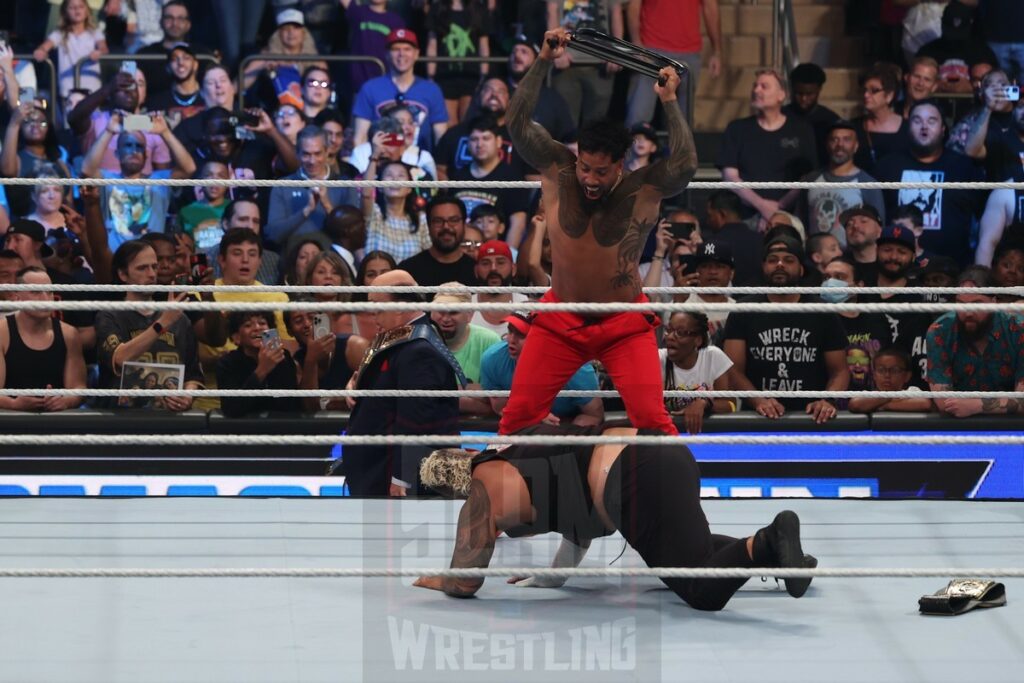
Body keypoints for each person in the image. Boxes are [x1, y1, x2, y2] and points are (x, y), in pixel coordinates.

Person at [502, 28, 698, 436]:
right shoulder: (559, 168)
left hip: (623, 322)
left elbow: (685, 166)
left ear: (620, 165)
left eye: (601, 171)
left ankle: (673, 497)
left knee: (651, 419)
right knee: (518, 414)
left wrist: (669, 103)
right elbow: (517, 124)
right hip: (561, 317)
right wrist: (543, 61)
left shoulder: (642, 189)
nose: (590, 179)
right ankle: (505, 493)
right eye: (585, 167)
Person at [413, 424, 814, 607]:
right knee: (687, 551)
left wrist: (444, 580)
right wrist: (552, 577)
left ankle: (765, 538)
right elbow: (578, 520)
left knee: (699, 590)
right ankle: (779, 555)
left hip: (634, 474)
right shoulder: (521, 452)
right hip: (660, 454)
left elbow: (466, 581)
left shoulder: (484, 485)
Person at [338, 270, 463, 497]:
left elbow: (415, 420)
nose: (372, 313)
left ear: (401, 305)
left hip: (392, 479)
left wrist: (401, 478)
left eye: (377, 304)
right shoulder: (402, 337)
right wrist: (357, 387)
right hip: (375, 472)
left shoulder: (419, 349)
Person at [723, 237, 850, 421]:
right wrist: (759, 400)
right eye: (773, 260)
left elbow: (840, 371)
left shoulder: (822, 311)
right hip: (757, 417)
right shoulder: (743, 310)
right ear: (764, 266)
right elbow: (733, 371)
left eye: (788, 260)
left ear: (801, 268)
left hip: (811, 417)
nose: (780, 264)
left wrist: (827, 400)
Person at [95, 241, 203, 411]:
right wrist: (163, 323)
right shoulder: (109, 315)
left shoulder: (179, 319)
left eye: (154, 266)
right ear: (123, 275)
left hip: (169, 420)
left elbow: (193, 375)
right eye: (142, 268)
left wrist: (187, 396)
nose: (152, 274)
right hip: (120, 422)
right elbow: (120, 358)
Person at [874, 99, 984, 265]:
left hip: (951, 268)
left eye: (931, 121)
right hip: (897, 265)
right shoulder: (887, 166)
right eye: (917, 121)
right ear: (908, 128)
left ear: (943, 129)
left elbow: (982, 217)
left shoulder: (963, 167)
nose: (924, 126)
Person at [81, 113, 196, 251]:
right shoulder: (108, 179)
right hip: (114, 259)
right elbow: (86, 170)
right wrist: (108, 131)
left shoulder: (159, 181)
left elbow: (189, 168)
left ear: (146, 155)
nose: (134, 151)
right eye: (128, 145)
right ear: (117, 153)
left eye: (139, 146)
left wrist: (165, 133)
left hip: (152, 260)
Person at [718, 69, 817, 228]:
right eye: (755, 86)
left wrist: (779, 209)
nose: (756, 90)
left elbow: (808, 176)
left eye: (764, 86)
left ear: (781, 95)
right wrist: (762, 206)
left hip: (789, 216)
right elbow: (730, 176)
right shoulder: (737, 129)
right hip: (744, 217)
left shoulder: (801, 130)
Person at [926, 265, 1024, 416]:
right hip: (957, 427)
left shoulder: (1018, 329)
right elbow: (944, 403)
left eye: (977, 303)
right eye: (961, 304)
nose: (968, 312)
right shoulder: (940, 331)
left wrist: (977, 405)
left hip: (1011, 428)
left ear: (994, 302)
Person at [480, 312, 603, 427]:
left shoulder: (575, 367)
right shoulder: (493, 358)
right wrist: (533, 416)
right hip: (522, 421)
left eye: (521, 335)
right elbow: (500, 406)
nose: (511, 340)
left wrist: (565, 440)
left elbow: (593, 415)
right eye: (510, 331)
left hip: (566, 422)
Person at [624, 0, 722, 128]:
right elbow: (634, 5)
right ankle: (633, 147)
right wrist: (637, 44)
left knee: (682, 122)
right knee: (638, 116)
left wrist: (717, 51)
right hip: (651, 50)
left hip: (688, 54)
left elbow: (710, 8)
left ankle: (678, 148)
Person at [0, 267, 86, 412]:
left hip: (55, 420)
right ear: (17, 296)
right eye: (36, 292)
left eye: (49, 292)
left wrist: (65, 401)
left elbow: (78, 387)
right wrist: (14, 404)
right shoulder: (2, 333)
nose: (46, 299)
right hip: (8, 422)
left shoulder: (69, 334)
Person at [351, 28, 448, 152]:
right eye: (396, 49)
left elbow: (440, 136)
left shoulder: (432, 90)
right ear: (387, 54)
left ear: (417, 54)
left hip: (419, 162)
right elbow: (360, 137)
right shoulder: (370, 88)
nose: (401, 54)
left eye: (407, 49)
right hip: (381, 161)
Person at [265, 126, 359, 252]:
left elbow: (353, 236)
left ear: (327, 152)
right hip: (293, 263)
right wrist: (306, 211)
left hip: (334, 264)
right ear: (297, 154)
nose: (312, 161)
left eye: (317, 153)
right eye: (306, 154)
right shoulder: (282, 186)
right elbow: (274, 235)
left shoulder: (346, 185)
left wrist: (327, 205)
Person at [801, 121, 886, 248]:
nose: (839, 145)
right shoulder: (811, 180)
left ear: (856, 146)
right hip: (814, 260)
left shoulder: (868, 184)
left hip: (852, 261)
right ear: (827, 145)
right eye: (834, 139)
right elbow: (800, 222)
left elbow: (879, 229)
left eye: (846, 140)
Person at [450, 115, 532, 246]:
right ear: (468, 143)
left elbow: (518, 222)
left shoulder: (511, 177)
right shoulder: (458, 176)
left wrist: (508, 256)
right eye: (474, 139)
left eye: (486, 138)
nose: (479, 144)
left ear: (499, 141)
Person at [545, 0, 627, 126]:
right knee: (565, 126)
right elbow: (551, 10)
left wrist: (617, 51)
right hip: (566, 63)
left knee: (596, 128)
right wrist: (555, 48)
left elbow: (615, 11)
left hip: (601, 63)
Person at [821, 257, 894, 396]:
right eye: (826, 277)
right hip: (833, 401)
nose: (830, 282)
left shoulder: (876, 318)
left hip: (872, 399)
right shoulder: (820, 319)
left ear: (859, 285)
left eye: (839, 277)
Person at [217, 311, 303, 418]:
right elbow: (232, 409)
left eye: (262, 323)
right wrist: (262, 370)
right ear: (236, 338)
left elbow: (290, 404)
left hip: (280, 426)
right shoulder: (227, 363)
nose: (257, 328)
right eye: (248, 325)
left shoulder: (283, 356)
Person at [430, 285, 500, 415]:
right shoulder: (421, 340)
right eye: (440, 311)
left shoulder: (489, 341)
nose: (445, 319)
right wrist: (469, 391)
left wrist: (441, 393)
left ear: (469, 315)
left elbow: (495, 404)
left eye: (454, 312)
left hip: (479, 428)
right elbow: (419, 396)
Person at [659, 311, 733, 435]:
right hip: (668, 434)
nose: (670, 337)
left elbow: (730, 404)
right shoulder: (657, 359)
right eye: (669, 330)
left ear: (698, 340)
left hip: (706, 435)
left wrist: (704, 403)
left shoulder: (713, 356)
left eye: (680, 333)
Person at [287, 304, 369, 413]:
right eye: (298, 321)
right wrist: (311, 360)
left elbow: (377, 391)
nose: (307, 324)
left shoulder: (355, 347)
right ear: (290, 331)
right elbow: (310, 408)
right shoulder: (296, 362)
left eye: (312, 318)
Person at [425, 0, 493, 124]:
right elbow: (432, 45)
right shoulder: (437, 8)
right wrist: (431, 77)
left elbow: (484, 46)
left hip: (471, 75)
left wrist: (483, 76)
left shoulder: (478, 9)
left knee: (468, 123)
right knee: (448, 124)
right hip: (444, 75)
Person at [135, 1, 214, 97]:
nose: (175, 23)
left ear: (188, 24)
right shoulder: (144, 55)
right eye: (169, 18)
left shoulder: (203, 55)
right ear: (161, 22)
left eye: (180, 19)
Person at [32, 0, 107, 100]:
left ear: (87, 11)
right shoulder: (60, 33)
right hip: (68, 88)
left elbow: (104, 48)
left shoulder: (95, 32)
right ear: (65, 12)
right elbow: (45, 46)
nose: (77, 10)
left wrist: (99, 53)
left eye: (81, 7)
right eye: (72, 8)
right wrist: (41, 51)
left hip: (92, 87)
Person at [398, 195, 478, 286]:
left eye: (453, 220)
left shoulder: (477, 271)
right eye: (438, 221)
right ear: (428, 226)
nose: (446, 227)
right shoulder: (407, 271)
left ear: (464, 225)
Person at [361, 158, 431, 262]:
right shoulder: (375, 213)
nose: (395, 179)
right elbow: (366, 194)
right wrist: (374, 157)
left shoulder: (421, 220)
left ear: (409, 188)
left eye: (401, 176)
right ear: (379, 187)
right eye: (389, 175)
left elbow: (429, 255)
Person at [852, 63, 910, 175]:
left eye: (873, 91)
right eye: (864, 90)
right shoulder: (854, 127)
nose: (866, 95)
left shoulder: (907, 129)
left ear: (889, 95)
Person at [783, 63, 840, 166]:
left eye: (809, 94)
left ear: (819, 90)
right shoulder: (781, 116)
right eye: (799, 93)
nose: (804, 99)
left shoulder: (830, 120)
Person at [702, 190, 762, 287]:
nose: (708, 221)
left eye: (710, 216)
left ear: (722, 214)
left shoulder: (710, 244)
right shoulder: (761, 241)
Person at [848, 347, 934, 413]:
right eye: (881, 370)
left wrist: (883, 406)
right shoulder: (870, 394)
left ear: (907, 376)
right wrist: (891, 397)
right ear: (874, 375)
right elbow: (855, 404)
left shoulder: (912, 391)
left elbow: (925, 404)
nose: (887, 375)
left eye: (894, 370)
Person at [471, 240, 527, 334]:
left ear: (513, 269)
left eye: (500, 262)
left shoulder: (526, 305)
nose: (493, 268)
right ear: (476, 271)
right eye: (485, 263)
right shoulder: (465, 307)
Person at [145, 43, 205, 126]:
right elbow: (136, 124)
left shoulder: (208, 96)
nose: (180, 63)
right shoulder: (157, 102)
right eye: (174, 59)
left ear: (195, 64)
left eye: (186, 58)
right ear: (168, 67)